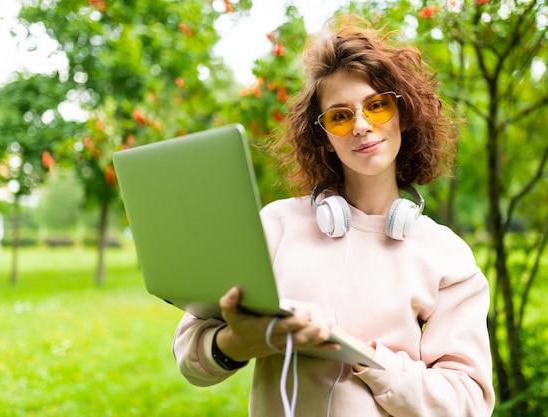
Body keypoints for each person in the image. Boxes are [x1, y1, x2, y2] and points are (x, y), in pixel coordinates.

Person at [172, 15, 495, 417]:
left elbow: (468, 403)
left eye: (377, 106)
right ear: (323, 135)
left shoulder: (447, 255)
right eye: (340, 116)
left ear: (404, 114)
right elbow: (189, 355)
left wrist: (366, 357)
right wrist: (244, 342)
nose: (361, 126)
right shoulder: (275, 226)